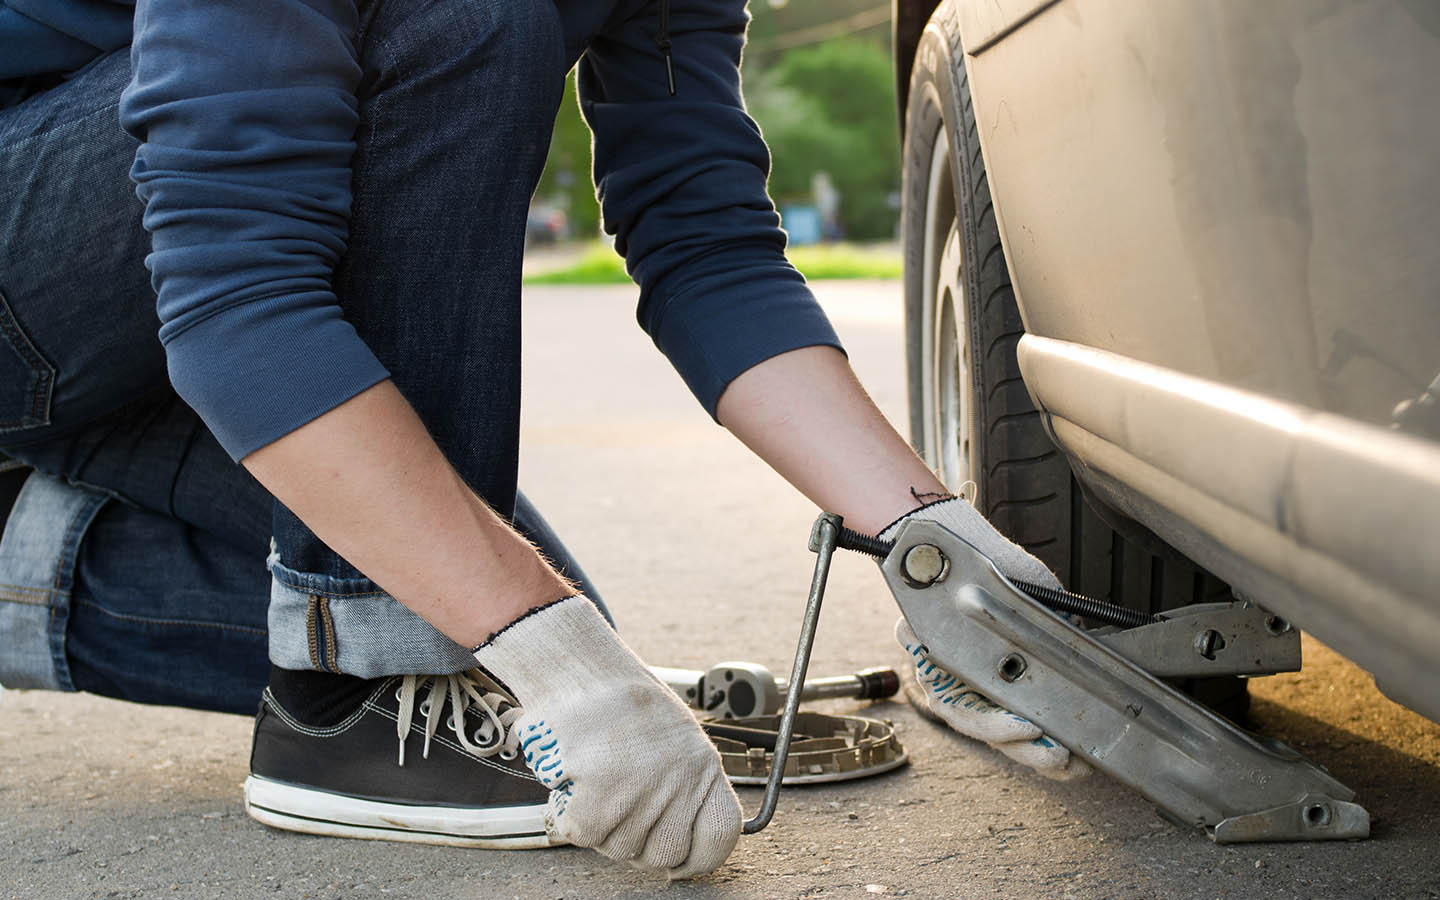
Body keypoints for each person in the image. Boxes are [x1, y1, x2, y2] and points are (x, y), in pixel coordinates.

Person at [0, 0, 1083, 880]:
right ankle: (353, 715)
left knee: (487, 614)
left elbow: (707, 248)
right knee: (465, 17)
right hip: (54, 269)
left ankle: (21, 547)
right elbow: (235, 294)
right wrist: (548, 652)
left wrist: (936, 542)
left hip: (121, 326)